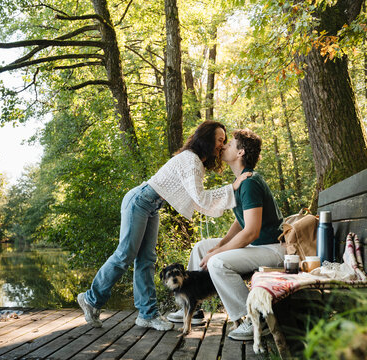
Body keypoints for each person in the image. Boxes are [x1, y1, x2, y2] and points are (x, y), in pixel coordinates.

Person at [77, 121, 251, 331]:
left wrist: (230, 190)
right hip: (139, 201)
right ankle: (91, 299)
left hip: (151, 206)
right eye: (220, 140)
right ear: (207, 139)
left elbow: (198, 201)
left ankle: (147, 315)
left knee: (147, 260)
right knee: (125, 254)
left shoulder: (196, 161)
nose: (222, 145)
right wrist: (233, 187)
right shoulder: (191, 160)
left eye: (225, 141)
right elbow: (201, 198)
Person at [167, 128, 284, 340]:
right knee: (201, 247)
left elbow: (251, 232)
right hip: (259, 246)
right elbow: (241, 222)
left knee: (217, 262)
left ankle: (255, 318)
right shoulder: (241, 181)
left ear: (240, 153)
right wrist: (218, 245)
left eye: (229, 144)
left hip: (273, 249)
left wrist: (217, 253)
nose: (223, 146)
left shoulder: (250, 183)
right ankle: (193, 306)